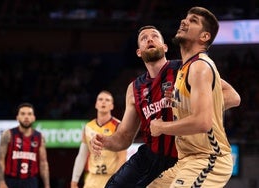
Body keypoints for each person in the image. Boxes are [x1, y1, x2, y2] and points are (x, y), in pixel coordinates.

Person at [90, 25, 240, 188]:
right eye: (143, 38)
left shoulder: (188, 69)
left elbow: (232, 96)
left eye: (154, 36)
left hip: (183, 157)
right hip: (149, 156)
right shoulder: (134, 88)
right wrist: (105, 141)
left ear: (165, 47)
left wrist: (189, 104)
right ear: (139, 52)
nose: (149, 39)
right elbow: (125, 136)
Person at [150, 7, 241, 187]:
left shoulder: (200, 67)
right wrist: (187, 102)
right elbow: (234, 96)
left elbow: (202, 123)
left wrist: (161, 127)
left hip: (210, 159)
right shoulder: (187, 67)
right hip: (187, 160)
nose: (184, 21)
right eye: (185, 18)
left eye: (193, 21)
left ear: (204, 36)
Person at [70, 90, 127, 188]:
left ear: (112, 106)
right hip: (92, 179)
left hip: (110, 178)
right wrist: (74, 180)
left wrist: (116, 181)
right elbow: (81, 156)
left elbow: (122, 158)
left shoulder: (118, 126)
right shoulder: (88, 127)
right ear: (96, 104)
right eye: (100, 99)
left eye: (107, 100)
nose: (103, 102)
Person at [0, 102, 50, 188]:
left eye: (29, 114)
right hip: (10, 180)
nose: (26, 117)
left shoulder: (39, 137)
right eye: (23, 114)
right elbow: (0, 160)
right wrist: (1, 182)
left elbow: (43, 163)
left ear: (34, 118)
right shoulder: (8, 134)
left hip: (30, 181)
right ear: (17, 117)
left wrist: (47, 185)